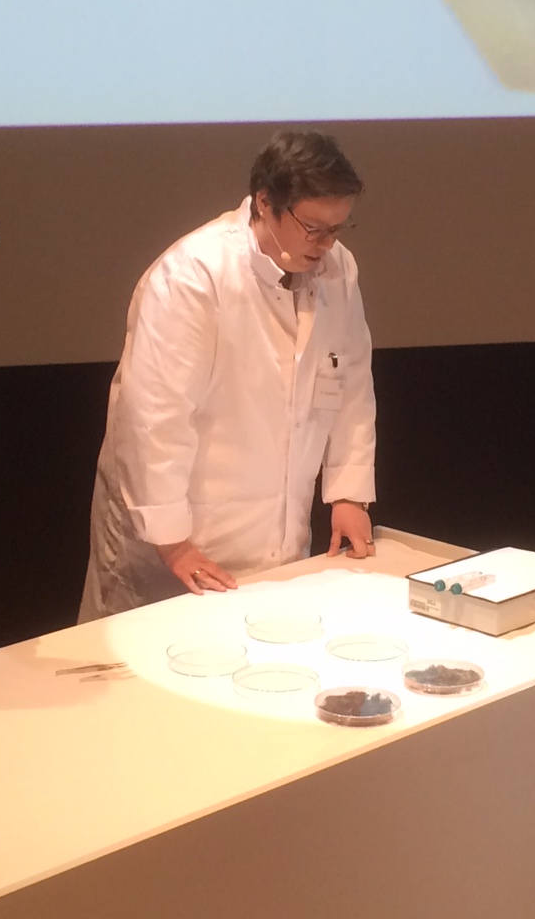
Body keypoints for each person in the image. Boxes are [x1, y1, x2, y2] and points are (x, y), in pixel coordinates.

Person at [80, 130, 376, 621]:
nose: (327, 244)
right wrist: (173, 544)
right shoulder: (193, 276)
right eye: (313, 228)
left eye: (337, 229)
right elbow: (154, 418)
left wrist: (348, 493)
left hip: (275, 542)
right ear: (265, 203)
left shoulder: (337, 269)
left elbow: (351, 383)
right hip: (180, 547)